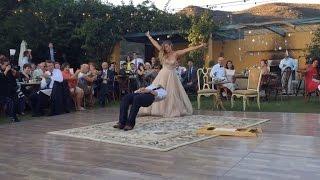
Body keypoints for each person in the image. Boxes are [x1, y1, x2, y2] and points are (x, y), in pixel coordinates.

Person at [139, 31, 206, 117]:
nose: (166, 48)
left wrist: (200, 46)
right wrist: (149, 36)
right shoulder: (163, 53)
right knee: (158, 91)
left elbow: (187, 49)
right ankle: (156, 108)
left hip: (172, 76)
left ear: (171, 46)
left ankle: (172, 109)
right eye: (165, 47)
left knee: (171, 93)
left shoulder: (176, 53)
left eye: (167, 46)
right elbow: (155, 44)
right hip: (162, 75)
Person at [0, 57, 20, 122]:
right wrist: (6, 70)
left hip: (13, 88)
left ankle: (14, 117)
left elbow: (17, 76)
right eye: (6, 65)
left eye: (8, 65)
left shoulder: (10, 70)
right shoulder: (1, 71)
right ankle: (12, 116)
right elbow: (2, 78)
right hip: (5, 91)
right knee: (11, 103)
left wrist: (13, 71)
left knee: (16, 102)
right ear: (1, 65)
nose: (7, 66)